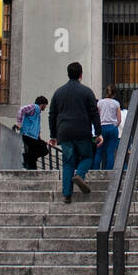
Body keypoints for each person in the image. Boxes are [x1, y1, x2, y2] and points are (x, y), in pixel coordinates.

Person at [49, 61, 102, 204]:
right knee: (87, 157)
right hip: (82, 131)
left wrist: (53, 135)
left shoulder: (58, 92)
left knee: (67, 162)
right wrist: (98, 133)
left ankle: (67, 194)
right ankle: (79, 175)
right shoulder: (87, 91)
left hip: (64, 132)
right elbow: (94, 113)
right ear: (81, 75)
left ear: (68, 74)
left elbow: (52, 114)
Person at [94, 85, 122, 170]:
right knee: (110, 152)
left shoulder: (100, 102)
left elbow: (97, 116)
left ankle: (95, 170)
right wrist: (114, 126)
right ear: (114, 94)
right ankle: (109, 171)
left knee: (99, 151)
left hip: (102, 127)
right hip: (112, 128)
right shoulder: (116, 103)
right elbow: (119, 119)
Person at [17, 95, 49, 170]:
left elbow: (35, 125)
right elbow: (22, 110)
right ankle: (26, 157)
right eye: (45, 105)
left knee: (34, 152)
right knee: (44, 150)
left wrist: (39, 136)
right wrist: (19, 123)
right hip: (28, 134)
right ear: (42, 104)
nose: (45, 107)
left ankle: (31, 167)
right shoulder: (34, 107)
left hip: (33, 136)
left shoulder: (37, 112)